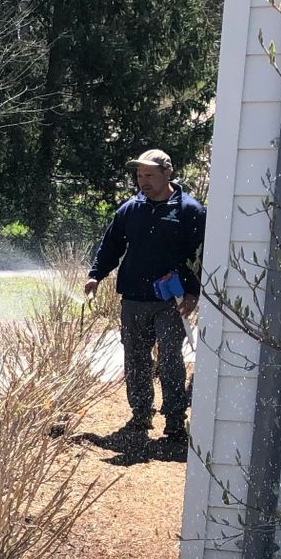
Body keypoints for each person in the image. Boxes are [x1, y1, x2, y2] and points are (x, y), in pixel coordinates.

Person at [83, 148, 206, 442]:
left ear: (168, 173)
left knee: (170, 359)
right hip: (133, 298)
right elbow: (112, 245)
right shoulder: (130, 210)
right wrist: (95, 275)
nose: (143, 181)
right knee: (136, 358)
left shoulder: (190, 210)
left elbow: (201, 255)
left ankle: (175, 420)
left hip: (171, 303)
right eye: (139, 175)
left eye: (149, 175)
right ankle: (140, 415)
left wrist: (193, 292)